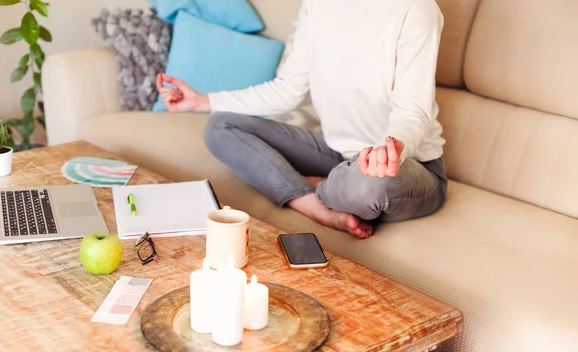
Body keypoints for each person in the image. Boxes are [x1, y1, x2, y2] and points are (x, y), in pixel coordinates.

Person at [156, 0, 448, 239]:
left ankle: (314, 183)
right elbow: (287, 90)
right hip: (338, 154)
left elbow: (413, 112)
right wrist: (202, 101)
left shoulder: (416, 9)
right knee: (221, 125)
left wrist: (392, 148)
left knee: (371, 186)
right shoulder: (318, 5)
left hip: (408, 166)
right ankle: (311, 202)